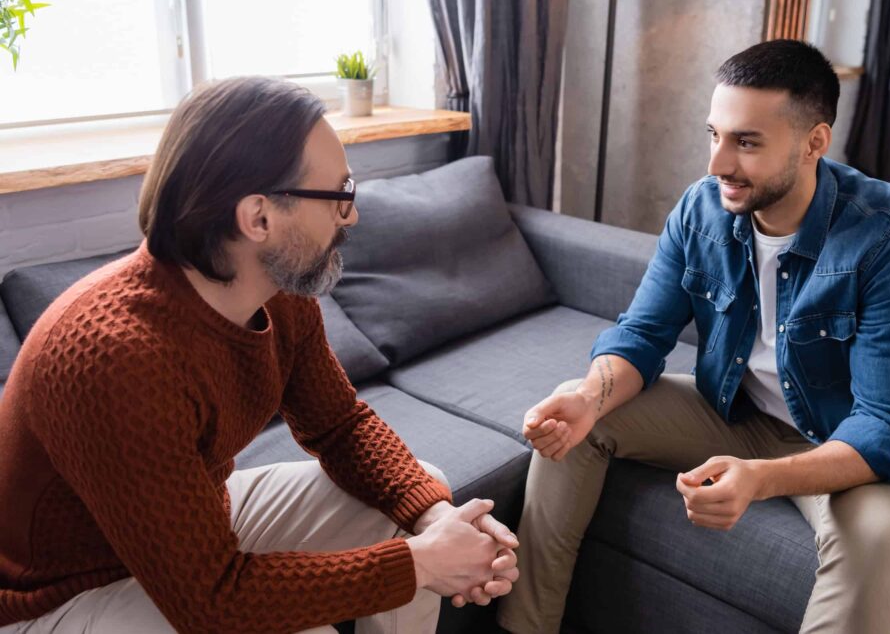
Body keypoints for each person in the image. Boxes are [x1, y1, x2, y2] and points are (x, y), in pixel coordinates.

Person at [0, 76, 518, 634]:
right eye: (341, 194)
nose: (353, 216)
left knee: (414, 499)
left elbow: (340, 425)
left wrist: (440, 526)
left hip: (185, 534)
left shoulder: (280, 292)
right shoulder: (115, 356)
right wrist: (421, 564)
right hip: (62, 594)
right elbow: (213, 602)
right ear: (259, 219)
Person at [497, 39, 890, 634]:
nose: (717, 164)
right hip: (733, 412)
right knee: (575, 418)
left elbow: (886, 425)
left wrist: (761, 478)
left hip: (844, 445)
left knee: (874, 536)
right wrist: (589, 397)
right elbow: (642, 333)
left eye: (746, 142)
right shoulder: (700, 209)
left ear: (815, 141)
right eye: (714, 134)